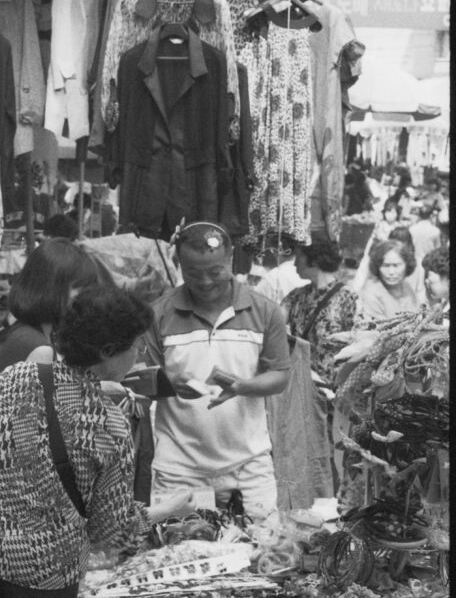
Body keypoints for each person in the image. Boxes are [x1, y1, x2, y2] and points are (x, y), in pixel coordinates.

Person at [0, 285, 197, 598]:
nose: (140, 355)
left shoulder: (15, 377)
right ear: (108, 350)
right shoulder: (109, 426)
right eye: (137, 346)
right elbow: (110, 534)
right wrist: (168, 508)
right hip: (46, 567)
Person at [142, 222, 291, 519]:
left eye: (215, 272)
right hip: (179, 468)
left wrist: (242, 386)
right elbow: (138, 380)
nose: (206, 282)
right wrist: (169, 382)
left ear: (231, 260)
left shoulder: (265, 310)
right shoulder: (157, 314)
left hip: (249, 466)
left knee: (261, 552)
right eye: (193, 274)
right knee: (181, 552)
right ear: (178, 264)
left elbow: (281, 376)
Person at [0, 238, 113, 375]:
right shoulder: (38, 348)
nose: (85, 296)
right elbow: (47, 395)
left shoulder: (35, 332)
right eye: (79, 288)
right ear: (52, 289)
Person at [282, 238, 359, 388]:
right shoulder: (296, 296)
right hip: (301, 384)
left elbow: (358, 341)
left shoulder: (348, 297)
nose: (295, 263)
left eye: (299, 257)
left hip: (331, 389)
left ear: (315, 260)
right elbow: (274, 324)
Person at [360, 239, 420, 320]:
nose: (391, 272)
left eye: (396, 266)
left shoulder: (406, 287)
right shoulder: (371, 294)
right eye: (386, 266)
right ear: (378, 266)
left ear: (407, 265)